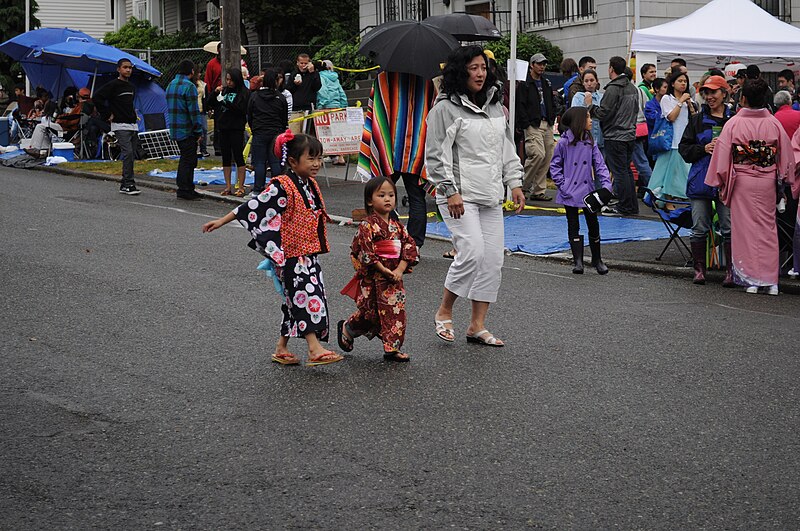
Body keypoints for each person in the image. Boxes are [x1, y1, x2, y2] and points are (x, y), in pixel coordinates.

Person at [202, 132, 343, 366]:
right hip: (290, 254)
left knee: (295, 299)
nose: (317, 164)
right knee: (305, 296)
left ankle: (282, 347)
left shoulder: (309, 184)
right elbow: (252, 207)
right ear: (292, 162)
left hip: (307, 253)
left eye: (319, 158)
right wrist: (221, 221)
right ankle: (314, 348)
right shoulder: (282, 186)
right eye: (311, 159)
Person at [426, 45, 526, 347]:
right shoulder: (444, 108)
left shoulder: (497, 105)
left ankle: (477, 325)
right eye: (473, 68)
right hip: (458, 196)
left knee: (493, 260)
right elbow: (434, 156)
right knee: (472, 251)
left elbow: (506, 149)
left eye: (483, 67)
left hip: (491, 194)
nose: (480, 73)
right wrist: (449, 190)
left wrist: (515, 182)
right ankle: (444, 311)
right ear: (460, 71)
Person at [706, 79, 795, 295]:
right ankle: (771, 280)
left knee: (745, 230)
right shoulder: (773, 123)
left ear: (743, 99)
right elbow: (786, 156)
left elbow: (723, 156)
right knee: (767, 228)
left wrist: (718, 181)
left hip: (743, 181)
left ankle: (752, 278)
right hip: (766, 180)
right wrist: (786, 178)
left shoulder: (734, 123)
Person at [338, 176, 419, 362]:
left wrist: (399, 269)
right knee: (370, 313)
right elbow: (365, 252)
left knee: (395, 310)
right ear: (369, 200)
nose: (387, 199)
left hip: (394, 277)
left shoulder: (398, 227)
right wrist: (382, 269)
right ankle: (348, 328)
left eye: (391, 195)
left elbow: (409, 246)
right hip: (374, 276)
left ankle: (392, 348)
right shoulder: (367, 226)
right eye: (381, 195)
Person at [357, 71, 436, 249]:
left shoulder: (384, 78)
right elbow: (433, 112)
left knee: (382, 195)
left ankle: (388, 239)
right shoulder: (426, 80)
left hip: (388, 147)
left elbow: (375, 112)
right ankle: (414, 245)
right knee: (416, 197)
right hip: (416, 148)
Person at [678, 75, 734, 286]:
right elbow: (684, 150)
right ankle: (699, 270)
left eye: (713, 92)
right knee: (699, 226)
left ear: (724, 93)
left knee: (729, 227)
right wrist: (703, 148)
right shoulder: (697, 120)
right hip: (701, 179)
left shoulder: (734, 119)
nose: (709, 97)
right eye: (706, 93)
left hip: (726, 181)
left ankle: (731, 272)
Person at [550, 106, 612, 275]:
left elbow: (600, 165)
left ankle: (597, 259)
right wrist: (563, 185)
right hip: (569, 191)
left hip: (587, 190)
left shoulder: (590, 142)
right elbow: (555, 166)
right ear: (579, 121)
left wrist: (607, 186)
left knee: (593, 223)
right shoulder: (563, 142)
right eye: (587, 117)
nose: (591, 120)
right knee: (573, 224)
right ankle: (578, 261)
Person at [586, 56, 640, 216]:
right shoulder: (632, 88)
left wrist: (590, 106)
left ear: (611, 69)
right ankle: (631, 205)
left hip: (615, 135)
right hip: (629, 134)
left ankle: (624, 206)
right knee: (626, 171)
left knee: (620, 172)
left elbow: (603, 113)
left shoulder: (613, 88)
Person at [94, 58, 141, 195]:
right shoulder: (113, 85)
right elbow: (97, 98)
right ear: (118, 69)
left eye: (130, 68)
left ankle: (125, 183)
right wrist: (107, 114)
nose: (128, 70)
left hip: (132, 125)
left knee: (132, 155)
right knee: (128, 153)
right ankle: (128, 183)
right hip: (120, 125)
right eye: (125, 67)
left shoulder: (131, 87)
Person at [648, 70, 697, 200]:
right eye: (680, 81)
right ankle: (667, 200)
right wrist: (680, 102)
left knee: (682, 174)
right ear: (673, 84)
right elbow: (671, 117)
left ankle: (680, 199)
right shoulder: (667, 99)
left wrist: (690, 105)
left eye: (685, 81)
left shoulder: (689, 99)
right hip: (671, 142)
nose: (683, 84)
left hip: (684, 142)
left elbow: (695, 120)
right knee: (667, 175)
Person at [516, 53, 556, 202]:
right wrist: (525, 123)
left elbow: (551, 102)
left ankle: (538, 190)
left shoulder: (546, 83)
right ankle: (523, 186)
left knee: (547, 156)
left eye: (543, 64)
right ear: (531, 65)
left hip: (547, 123)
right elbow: (520, 105)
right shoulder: (525, 84)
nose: (542, 66)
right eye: (539, 63)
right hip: (533, 124)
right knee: (537, 154)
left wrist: (552, 117)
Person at [166, 59, 204, 200]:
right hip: (187, 129)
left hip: (175, 128)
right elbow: (194, 112)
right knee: (188, 160)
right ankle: (185, 188)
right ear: (192, 71)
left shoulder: (171, 84)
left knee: (186, 158)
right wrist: (198, 131)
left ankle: (187, 187)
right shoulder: (189, 86)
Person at [248, 67, 288, 195]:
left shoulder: (255, 96)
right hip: (276, 132)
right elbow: (284, 117)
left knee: (259, 162)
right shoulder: (280, 98)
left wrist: (254, 128)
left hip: (259, 131)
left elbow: (249, 115)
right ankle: (277, 187)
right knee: (275, 161)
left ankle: (258, 189)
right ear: (276, 81)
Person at [215, 67, 250, 197]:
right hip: (223, 126)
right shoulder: (225, 91)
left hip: (236, 127)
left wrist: (226, 102)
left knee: (238, 156)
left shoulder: (244, 92)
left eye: (231, 80)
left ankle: (240, 186)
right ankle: (228, 186)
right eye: (227, 79)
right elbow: (212, 104)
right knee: (226, 157)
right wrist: (215, 94)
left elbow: (241, 109)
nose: (228, 82)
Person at [316, 59, 348, 164]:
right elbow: (341, 92)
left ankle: (324, 156)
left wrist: (321, 105)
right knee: (338, 132)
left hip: (326, 106)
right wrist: (343, 105)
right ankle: (340, 157)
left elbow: (323, 90)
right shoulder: (335, 78)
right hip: (337, 106)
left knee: (325, 133)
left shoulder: (321, 76)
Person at [570, 69, 604, 157]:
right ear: (583, 83)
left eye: (592, 80)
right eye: (586, 81)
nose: (589, 84)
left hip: (602, 139)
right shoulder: (578, 97)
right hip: (584, 140)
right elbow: (575, 117)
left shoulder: (602, 97)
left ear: (597, 81)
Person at [287, 53, 321, 135]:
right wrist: (295, 84)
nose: (303, 65)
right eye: (301, 63)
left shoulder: (314, 73)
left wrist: (312, 73)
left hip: (309, 109)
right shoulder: (293, 74)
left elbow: (317, 87)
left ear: (309, 63)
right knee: (294, 135)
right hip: (296, 110)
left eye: (305, 63)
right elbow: (288, 90)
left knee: (309, 135)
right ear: (297, 63)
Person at [204, 43, 223, 155]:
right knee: (218, 123)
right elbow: (208, 81)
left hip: (227, 93)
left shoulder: (230, 61)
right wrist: (210, 101)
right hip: (216, 94)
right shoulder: (212, 64)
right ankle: (218, 147)